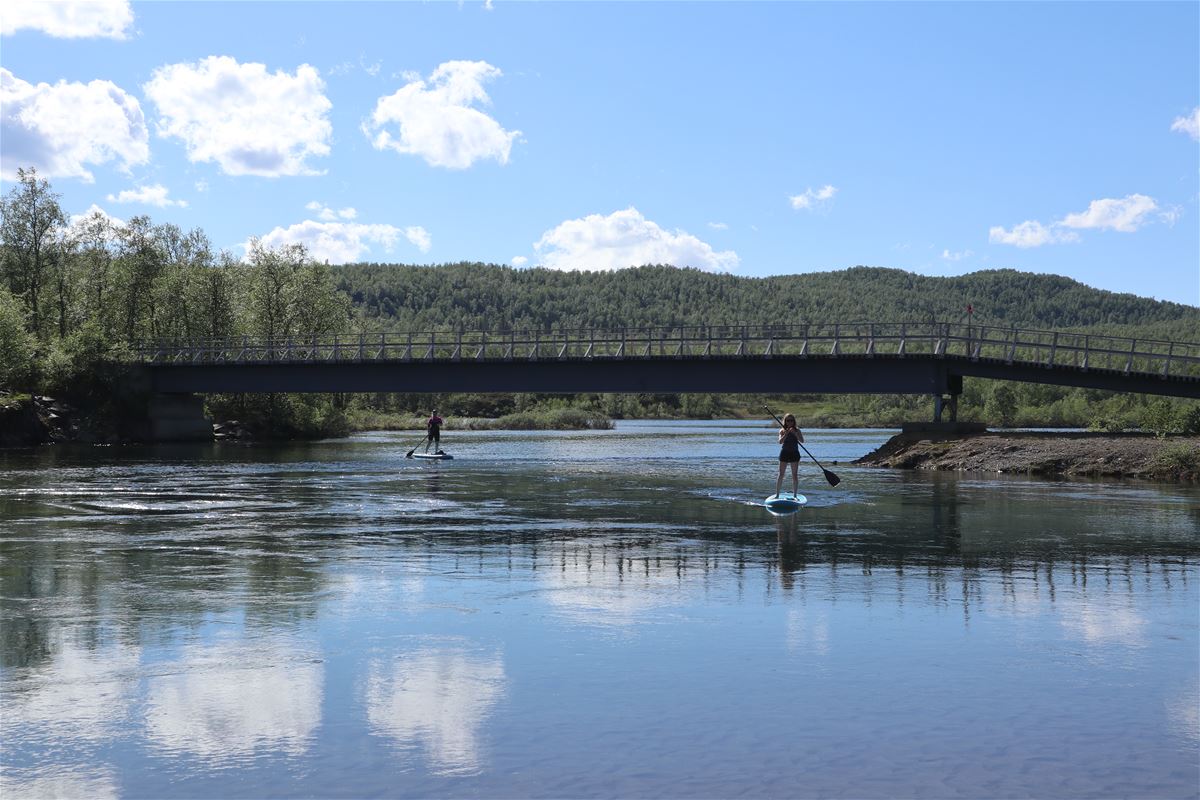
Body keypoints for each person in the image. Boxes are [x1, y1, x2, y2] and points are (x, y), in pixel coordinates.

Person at [775, 413, 803, 497]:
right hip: (784, 453)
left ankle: (795, 495)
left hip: (794, 453)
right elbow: (780, 442)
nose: (789, 422)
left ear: (794, 421)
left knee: (794, 475)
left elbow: (802, 441)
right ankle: (777, 495)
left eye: (791, 420)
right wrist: (786, 434)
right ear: (785, 421)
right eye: (788, 421)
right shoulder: (782, 430)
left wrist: (795, 434)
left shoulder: (797, 430)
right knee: (781, 474)